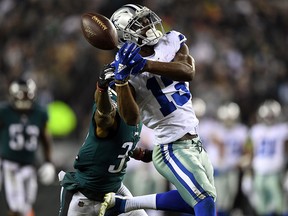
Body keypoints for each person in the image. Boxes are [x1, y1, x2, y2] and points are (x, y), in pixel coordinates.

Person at [99, 4, 217, 216]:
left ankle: (123, 205)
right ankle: (122, 205)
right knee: (204, 198)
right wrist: (122, 81)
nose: (148, 25)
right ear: (127, 35)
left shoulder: (171, 41)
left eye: (146, 20)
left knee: (193, 199)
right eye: (140, 23)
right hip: (170, 146)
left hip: (195, 142)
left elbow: (187, 71)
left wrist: (144, 65)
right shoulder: (122, 67)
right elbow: (131, 118)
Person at [58, 65, 152, 216]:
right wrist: (101, 90)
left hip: (114, 191)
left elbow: (118, 143)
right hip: (85, 194)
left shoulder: (134, 111)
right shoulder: (112, 104)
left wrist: (140, 154)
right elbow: (104, 118)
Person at [0, 78, 56, 216]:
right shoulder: (4, 111)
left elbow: (45, 137)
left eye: (27, 94)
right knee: (16, 208)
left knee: (26, 208)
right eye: (21, 94)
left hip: (30, 166)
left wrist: (49, 161)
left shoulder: (39, 112)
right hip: (9, 165)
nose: (24, 98)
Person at [244, 99, 288, 216]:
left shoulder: (283, 130)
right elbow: (249, 153)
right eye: (267, 116)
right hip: (259, 172)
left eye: (271, 116)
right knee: (261, 207)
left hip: (276, 172)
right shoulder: (255, 131)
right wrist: (248, 175)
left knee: (280, 206)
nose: (269, 118)